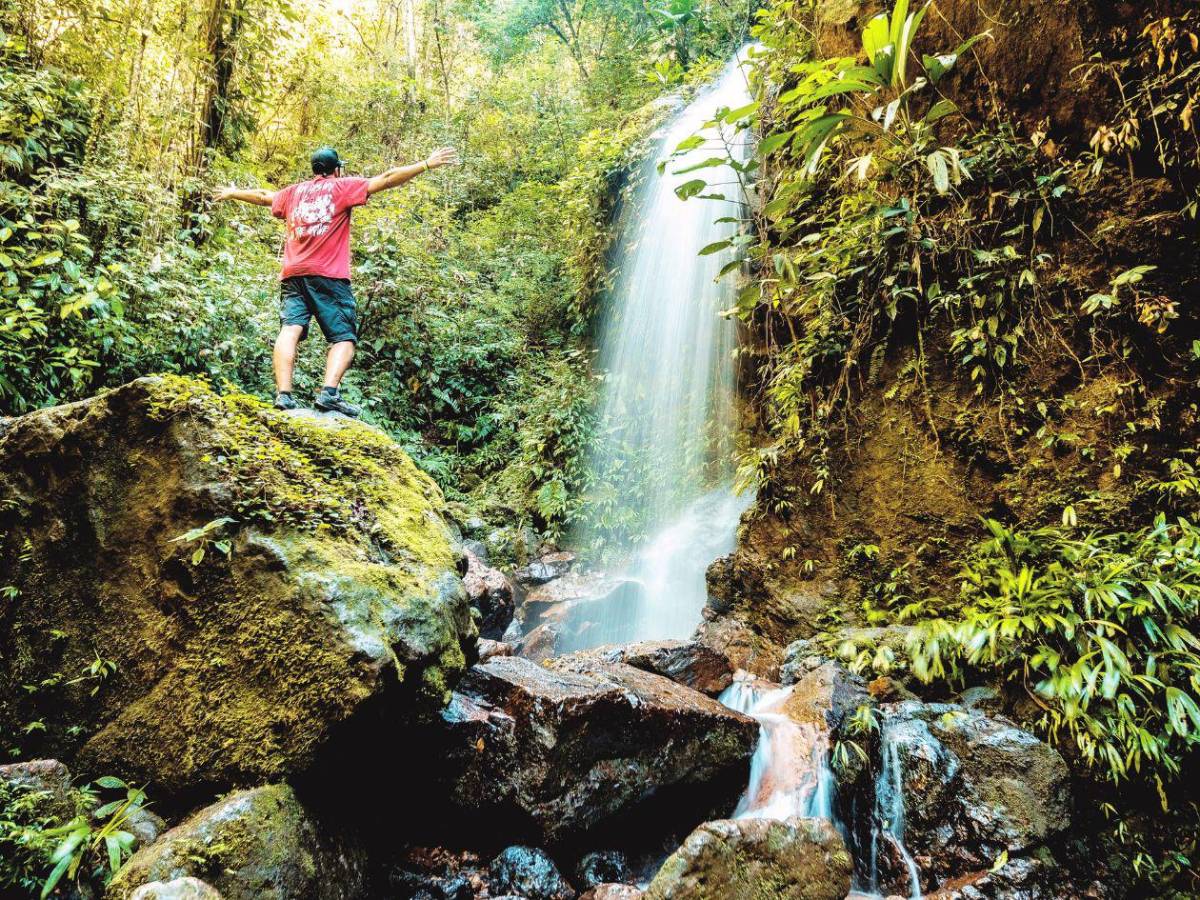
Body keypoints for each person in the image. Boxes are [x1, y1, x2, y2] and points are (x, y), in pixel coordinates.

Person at [213, 144, 459, 416]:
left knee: (290, 329)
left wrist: (233, 192)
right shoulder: (341, 187)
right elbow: (387, 178)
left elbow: (263, 196)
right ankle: (329, 393)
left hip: (293, 274)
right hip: (328, 275)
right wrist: (426, 163)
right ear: (336, 169)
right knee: (343, 337)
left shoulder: (294, 193)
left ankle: (283, 395)